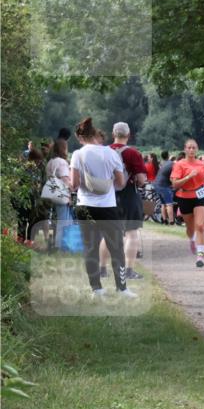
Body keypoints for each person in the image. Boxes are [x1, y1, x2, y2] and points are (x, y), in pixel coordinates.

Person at [68, 117, 135, 299]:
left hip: (85, 207)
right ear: (96, 134)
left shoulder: (77, 155)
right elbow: (121, 183)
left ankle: (96, 289)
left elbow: (74, 185)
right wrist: (107, 183)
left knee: (90, 248)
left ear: (80, 137)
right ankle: (122, 289)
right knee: (116, 248)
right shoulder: (111, 154)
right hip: (107, 207)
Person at [105, 122, 147, 281]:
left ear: (113, 133)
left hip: (108, 196)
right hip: (129, 195)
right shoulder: (133, 153)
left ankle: (102, 269)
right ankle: (128, 270)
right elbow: (142, 180)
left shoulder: (104, 151)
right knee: (131, 233)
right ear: (128, 135)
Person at [170, 139, 204, 268]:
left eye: (194, 148)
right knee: (190, 226)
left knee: (200, 226)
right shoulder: (179, 164)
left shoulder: (202, 164)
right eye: (189, 148)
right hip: (184, 196)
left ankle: (200, 256)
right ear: (185, 149)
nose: (191, 150)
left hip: (200, 195)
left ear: (197, 149)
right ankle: (192, 239)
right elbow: (175, 184)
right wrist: (188, 177)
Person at [45, 138, 74, 252]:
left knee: (59, 220)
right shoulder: (61, 162)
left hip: (53, 193)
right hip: (62, 194)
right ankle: (62, 246)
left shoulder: (50, 162)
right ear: (63, 149)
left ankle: (57, 245)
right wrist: (71, 192)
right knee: (65, 220)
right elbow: (66, 180)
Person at [154, 151, 176, 225]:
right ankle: (171, 222)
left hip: (157, 184)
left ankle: (164, 220)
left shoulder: (164, 163)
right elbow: (173, 177)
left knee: (163, 204)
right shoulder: (173, 165)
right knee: (169, 204)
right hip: (163, 185)